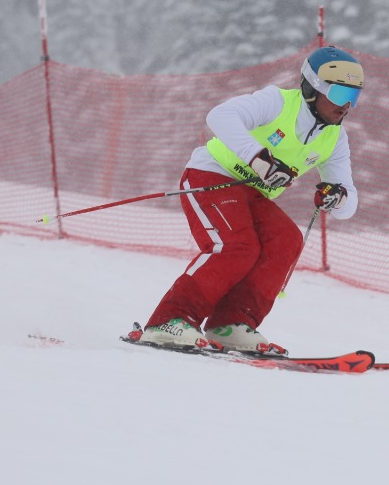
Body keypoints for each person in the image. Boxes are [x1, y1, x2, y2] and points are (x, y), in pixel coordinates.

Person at [126, 45, 364, 354]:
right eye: (339, 93)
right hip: (211, 175)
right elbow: (220, 115)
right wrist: (258, 159)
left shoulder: (335, 138)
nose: (346, 105)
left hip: (252, 194)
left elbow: (348, 202)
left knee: (285, 240)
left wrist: (336, 198)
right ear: (313, 88)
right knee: (237, 246)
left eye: (354, 96)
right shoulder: (277, 102)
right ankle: (168, 321)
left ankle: (230, 324)